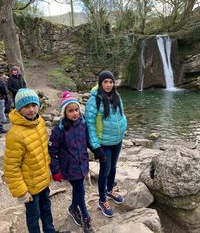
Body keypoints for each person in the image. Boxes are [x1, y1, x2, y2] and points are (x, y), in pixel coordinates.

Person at [3, 88, 70, 233]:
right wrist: (21, 192)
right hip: (29, 186)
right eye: (26, 106)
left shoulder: (39, 123)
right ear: (19, 109)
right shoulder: (15, 135)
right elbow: (11, 167)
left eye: (34, 105)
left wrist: (51, 172)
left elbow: (43, 152)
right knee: (34, 215)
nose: (31, 110)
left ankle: (49, 230)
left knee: (46, 208)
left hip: (43, 180)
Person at [48, 91, 94, 233]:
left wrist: (98, 151)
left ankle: (73, 208)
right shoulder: (59, 130)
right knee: (81, 190)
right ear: (64, 112)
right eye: (71, 111)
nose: (75, 113)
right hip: (69, 167)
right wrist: (55, 170)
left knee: (78, 190)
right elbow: (52, 151)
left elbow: (88, 141)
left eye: (76, 110)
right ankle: (86, 217)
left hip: (82, 164)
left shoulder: (83, 124)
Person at [85, 70, 127, 218]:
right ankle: (102, 200)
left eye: (111, 82)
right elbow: (89, 125)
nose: (108, 85)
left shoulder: (117, 96)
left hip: (117, 140)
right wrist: (96, 147)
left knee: (113, 167)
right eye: (105, 82)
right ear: (100, 83)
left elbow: (121, 114)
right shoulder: (94, 100)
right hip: (104, 143)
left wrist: (123, 129)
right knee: (105, 170)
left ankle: (110, 190)